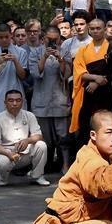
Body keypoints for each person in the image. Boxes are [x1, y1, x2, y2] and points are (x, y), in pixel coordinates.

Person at [31, 27, 71, 174]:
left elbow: (66, 75)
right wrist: (44, 57)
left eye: (55, 39)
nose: (52, 42)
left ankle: (65, 164)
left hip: (60, 101)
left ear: (59, 39)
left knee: (63, 138)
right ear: (44, 39)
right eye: (49, 39)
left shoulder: (65, 52)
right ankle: (44, 166)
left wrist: (61, 59)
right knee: (44, 138)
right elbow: (35, 73)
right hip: (41, 101)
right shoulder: (35, 52)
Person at [0, 89, 49, 186]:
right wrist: (8, 153)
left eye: (18, 100)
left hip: (25, 151)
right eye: (11, 100)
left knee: (41, 145)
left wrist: (28, 140)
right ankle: (3, 178)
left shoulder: (29, 115)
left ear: (22, 102)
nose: (15, 103)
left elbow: (39, 136)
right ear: (5, 102)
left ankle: (37, 176)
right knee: (2, 163)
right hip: (5, 152)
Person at [70, 18, 112, 144]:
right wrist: (96, 78)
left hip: (107, 94)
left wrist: (97, 82)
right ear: (89, 30)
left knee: (105, 125)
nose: (95, 31)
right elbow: (79, 73)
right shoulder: (83, 50)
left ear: (104, 30)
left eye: (98, 28)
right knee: (87, 126)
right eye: (92, 29)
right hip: (88, 94)